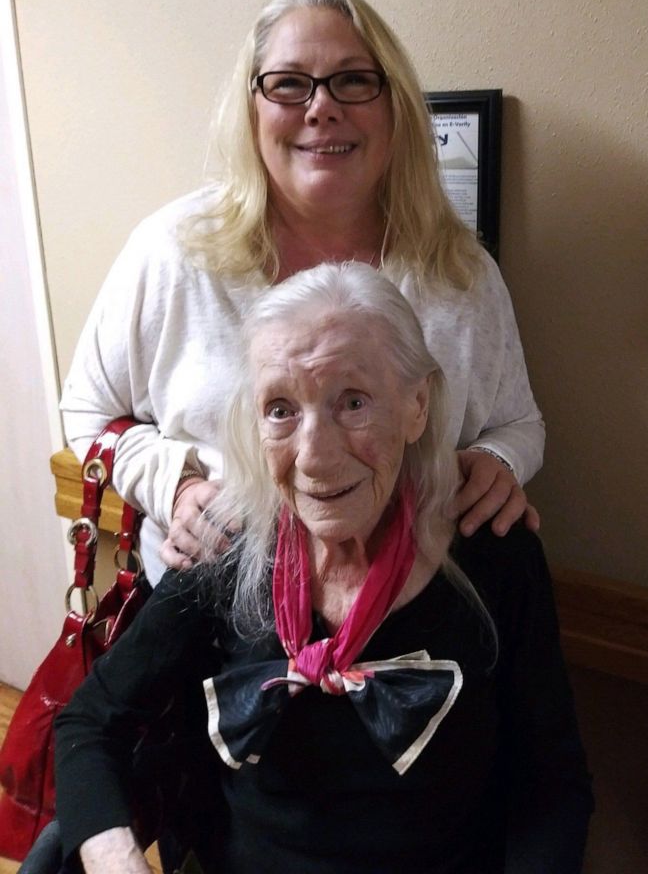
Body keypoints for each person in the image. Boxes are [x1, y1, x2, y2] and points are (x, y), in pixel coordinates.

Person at [55, 263, 592, 874]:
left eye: (353, 402)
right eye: (280, 410)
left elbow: (552, 783)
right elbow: (89, 722)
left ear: (417, 406)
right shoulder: (224, 548)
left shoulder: (494, 551)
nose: (314, 457)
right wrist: (115, 856)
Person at [59, 0, 544, 587]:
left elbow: (518, 424)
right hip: (210, 622)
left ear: (394, 107)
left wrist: (498, 462)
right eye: (288, 84)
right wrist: (174, 485)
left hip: (412, 631)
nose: (321, 108)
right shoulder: (173, 254)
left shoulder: (458, 273)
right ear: (252, 108)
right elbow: (87, 409)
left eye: (353, 80)